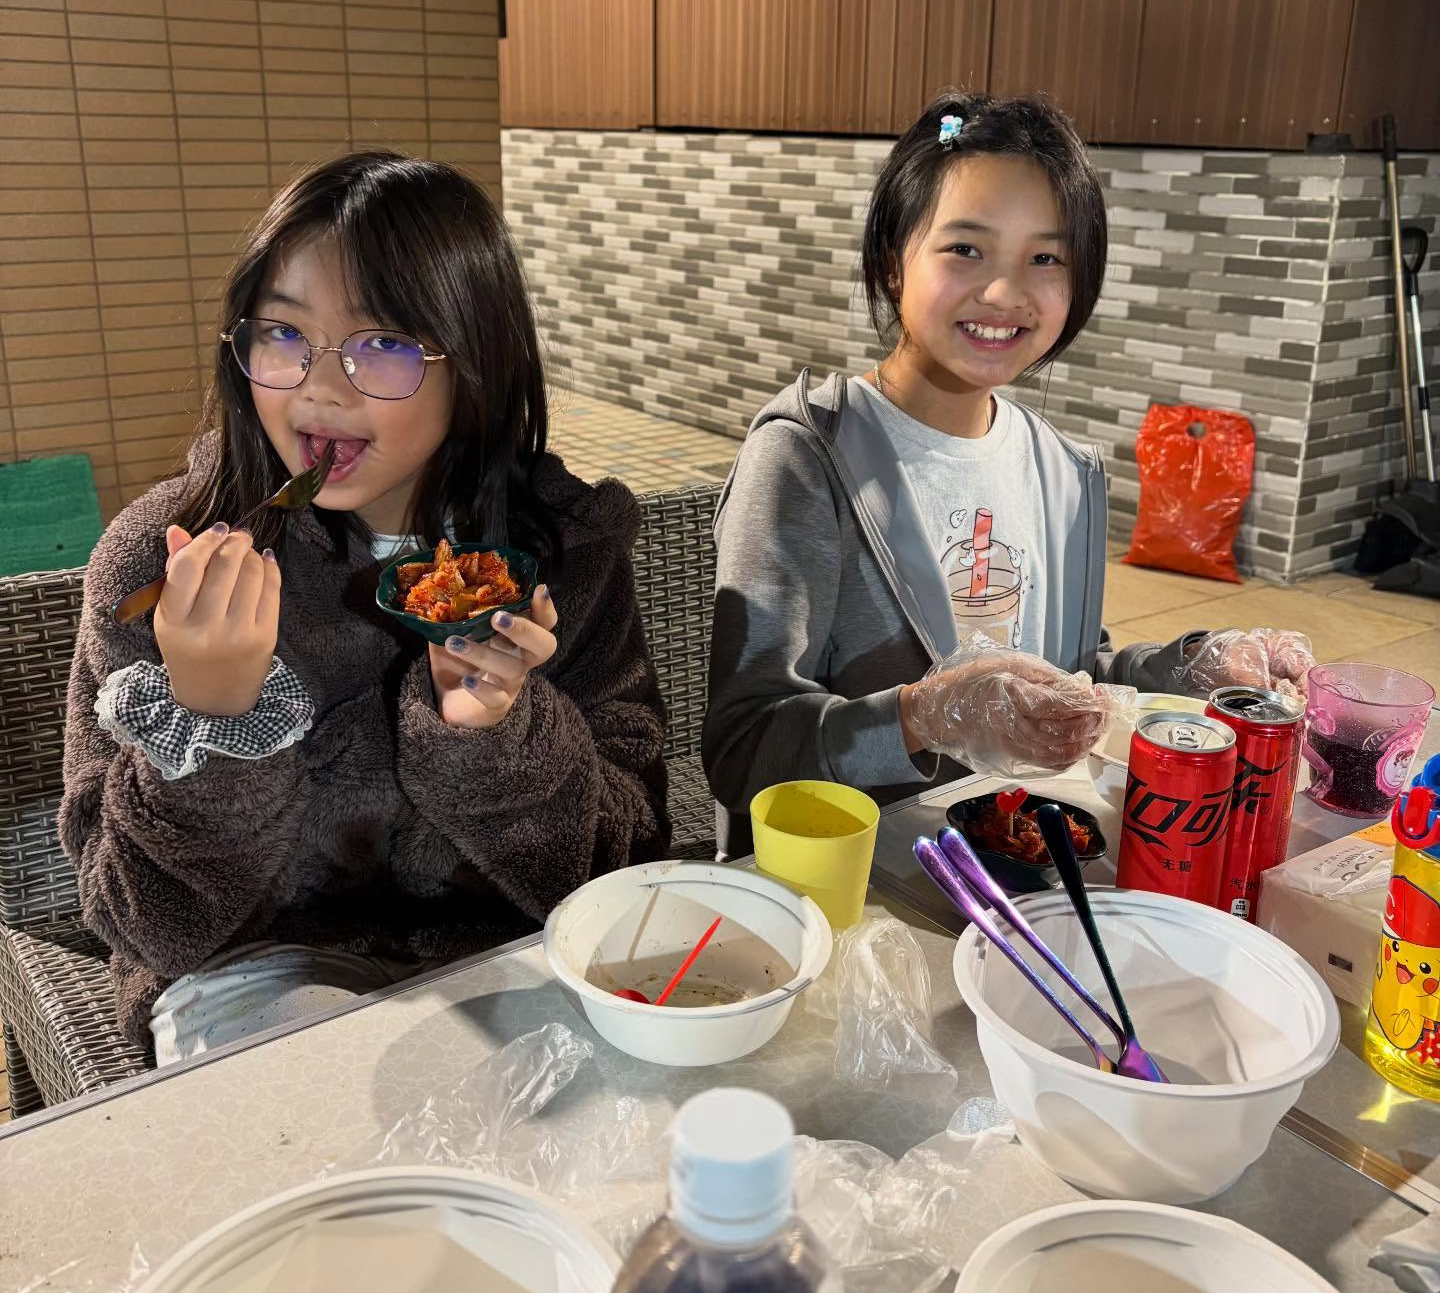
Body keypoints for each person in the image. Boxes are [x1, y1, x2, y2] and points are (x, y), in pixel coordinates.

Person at [62, 152, 668, 1062]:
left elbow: (627, 866)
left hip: (515, 953)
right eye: (283, 333)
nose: (320, 386)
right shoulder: (161, 564)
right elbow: (140, 922)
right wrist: (214, 718)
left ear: (476, 365)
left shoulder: (563, 557)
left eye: (383, 343)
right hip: (256, 977)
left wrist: (496, 738)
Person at [704, 93, 1309, 853]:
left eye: (1045, 258)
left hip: (1028, 864)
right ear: (892, 260)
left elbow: (1072, 675)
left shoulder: (1060, 470)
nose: (1003, 293)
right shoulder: (808, 458)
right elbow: (744, 751)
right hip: (856, 882)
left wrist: (1191, 669)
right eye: (965, 248)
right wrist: (922, 716)